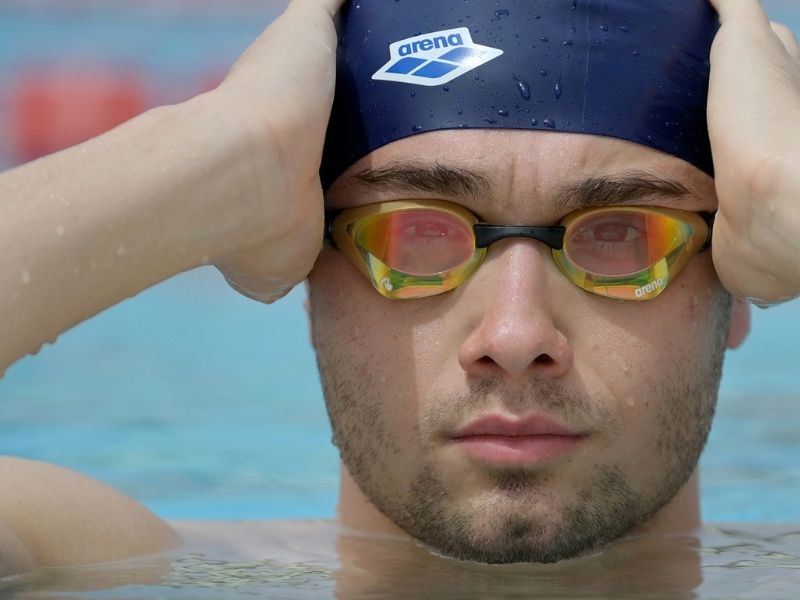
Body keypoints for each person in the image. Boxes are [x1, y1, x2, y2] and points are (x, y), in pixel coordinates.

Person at [0, 0, 799, 575]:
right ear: (308, 270)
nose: (516, 339)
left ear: (738, 270)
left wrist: (786, 185)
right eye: (415, 235)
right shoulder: (99, 564)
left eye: (624, 235)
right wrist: (232, 151)